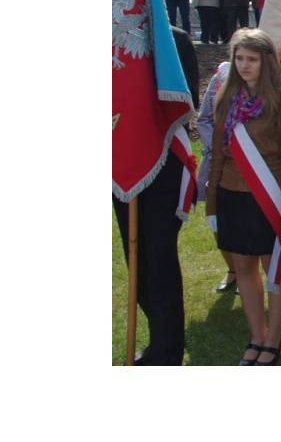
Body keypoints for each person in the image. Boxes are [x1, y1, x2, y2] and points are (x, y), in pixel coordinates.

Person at [206, 28, 281, 366]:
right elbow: (218, 154)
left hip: (269, 197)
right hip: (232, 195)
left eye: (251, 59)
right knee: (244, 266)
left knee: (273, 267)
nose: (244, 65)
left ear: (267, 61)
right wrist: (212, 201)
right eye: (239, 58)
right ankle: (257, 335)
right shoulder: (226, 99)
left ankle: (274, 338)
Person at [112, 26, 199, 365]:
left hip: (165, 162)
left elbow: (186, 99)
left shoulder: (173, 40)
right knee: (136, 260)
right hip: (122, 162)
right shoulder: (109, 40)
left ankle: (167, 350)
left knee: (159, 256)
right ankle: (159, 334)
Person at [197, 58, 238, 293]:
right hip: (216, 161)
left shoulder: (258, 82)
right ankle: (231, 269)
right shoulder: (218, 79)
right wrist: (216, 147)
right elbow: (203, 118)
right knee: (216, 218)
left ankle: (246, 271)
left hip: (245, 163)